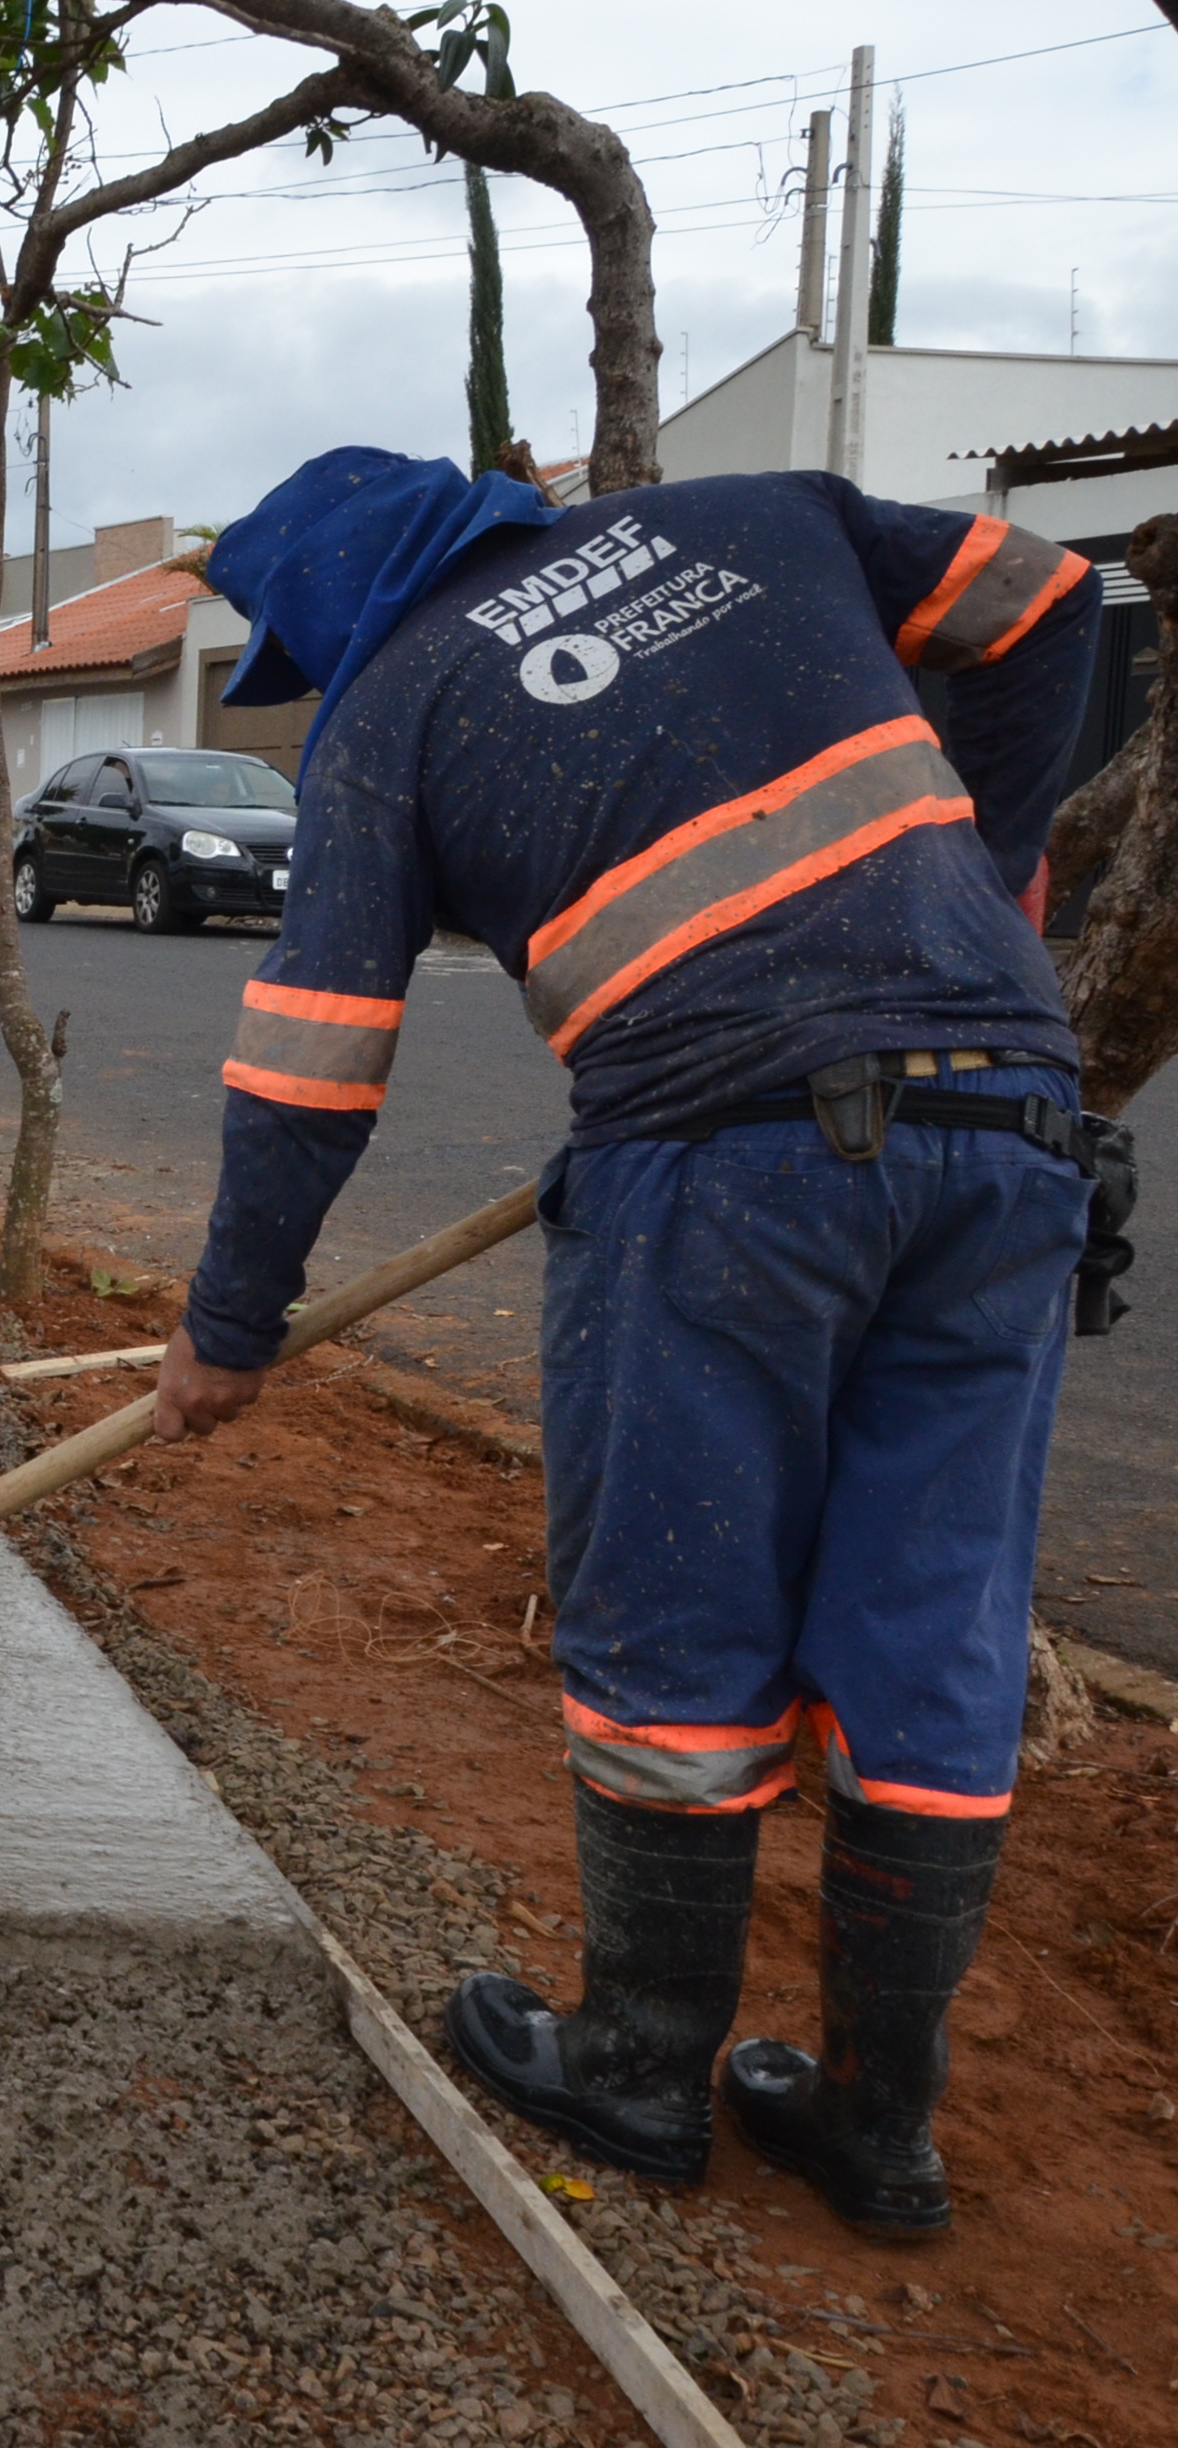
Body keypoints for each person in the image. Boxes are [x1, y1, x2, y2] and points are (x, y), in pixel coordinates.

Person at [152, 447, 1111, 2240]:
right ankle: (877, 2123)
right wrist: (989, 879)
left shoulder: (387, 716)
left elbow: (308, 1070)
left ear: (333, 615)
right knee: (936, 1614)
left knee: (678, 1600)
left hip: (723, 1165)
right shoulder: (770, 514)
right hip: (1011, 1126)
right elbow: (1048, 602)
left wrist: (225, 1333)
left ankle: (647, 2069)